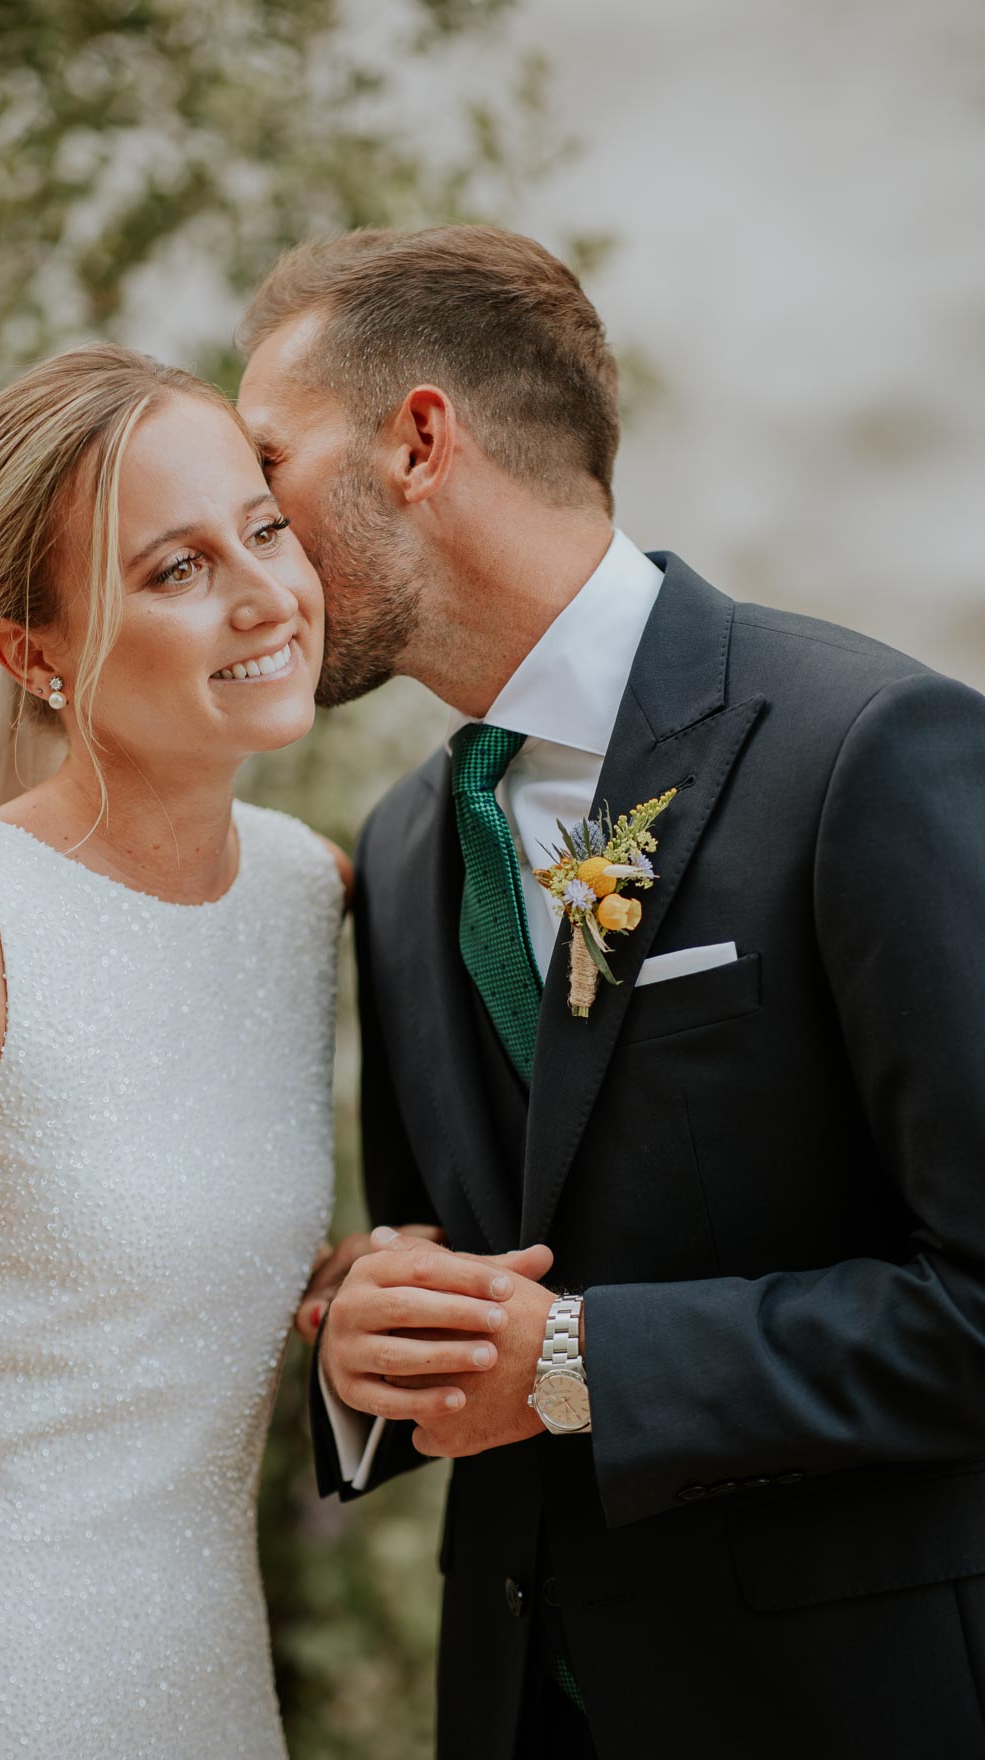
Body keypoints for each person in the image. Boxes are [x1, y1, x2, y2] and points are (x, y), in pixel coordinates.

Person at [240, 225, 985, 1760]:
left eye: (268, 467)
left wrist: (586, 1364)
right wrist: (364, 1333)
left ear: (419, 439)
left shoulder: (866, 750)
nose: (248, 529)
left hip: (842, 1708)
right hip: (522, 1706)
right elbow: (454, 1256)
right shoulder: (393, 847)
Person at [0, 343, 544, 1759]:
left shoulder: (305, 893)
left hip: (206, 1683)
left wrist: (352, 1300)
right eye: (174, 570)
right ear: (31, 656)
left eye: (261, 530)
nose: (267, 595)